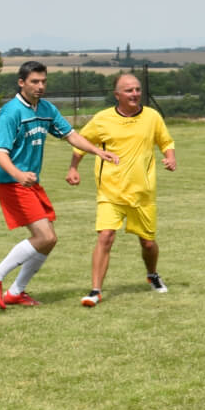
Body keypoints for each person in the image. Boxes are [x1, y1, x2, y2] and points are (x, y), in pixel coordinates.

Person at [0, 62, 118, 309]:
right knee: (45, 236)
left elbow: (71, 135)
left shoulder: (46, 108)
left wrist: (97, 151)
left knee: (49, 240)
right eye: (34, 81)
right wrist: (18, 174)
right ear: (21, 83)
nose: (40, 86)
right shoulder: (12, 112)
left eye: (43, 81)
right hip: (12, 182)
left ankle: (16, 292)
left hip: (31, 182)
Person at [65, 73, 176, 306]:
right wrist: (73, 168)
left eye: (137, 89)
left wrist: (170, 157)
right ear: (117, 95)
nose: (135, 94)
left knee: (148, 243)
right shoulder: (102, 119)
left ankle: (152, 274)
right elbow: (81, 143)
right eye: (128, 90)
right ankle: (95, 291)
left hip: (142, 192)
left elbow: (166, 141)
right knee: (105, 236)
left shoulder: (152, 117)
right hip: (110, 191)